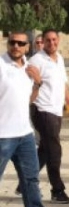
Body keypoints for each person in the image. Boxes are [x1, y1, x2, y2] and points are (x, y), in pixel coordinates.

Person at [28, 29, 69, 204]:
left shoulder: (60, 59)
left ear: (59, 40)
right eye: (48, 40)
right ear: (43, 41)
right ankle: (57, 190)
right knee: (55, 150)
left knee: (45, 150)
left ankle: (25, 182)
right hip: (42, 110)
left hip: (56, 111)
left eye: (54, 39)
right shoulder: (36, 61)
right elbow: (29, 88)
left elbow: (63, 85)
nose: (51, 43)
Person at [1, 32, 44, 207]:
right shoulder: (1, 65)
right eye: (13, 42)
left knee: (31, 180)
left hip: (25, 135)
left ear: (28, 46)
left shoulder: (28, 67)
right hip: (3, 134)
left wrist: (37, 83)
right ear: (8, 44)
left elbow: (28, 100)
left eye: (20, 43)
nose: (16, 46)